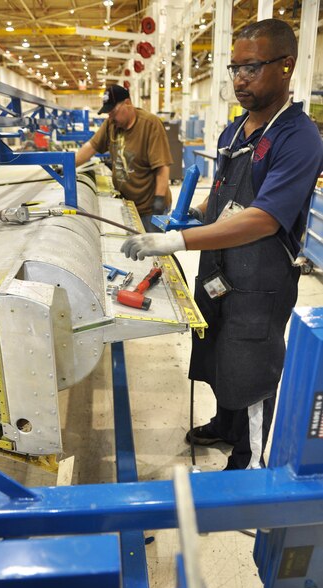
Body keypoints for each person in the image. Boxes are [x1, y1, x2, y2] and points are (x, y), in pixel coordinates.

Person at [120, 19, 323, 470]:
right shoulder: (233, 131)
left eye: (251, 68)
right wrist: (198, 211)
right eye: (234, 68)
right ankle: (224, 425)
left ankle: (247, 459)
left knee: (250, 369)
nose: (239, 80)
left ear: (286, 66)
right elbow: (226, 192)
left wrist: (177, 239)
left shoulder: (298, 137)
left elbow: (264, 219)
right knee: (218, 356)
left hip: (259, 281)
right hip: (219, 273)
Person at [75, 84, 173, 232]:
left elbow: (162, 167)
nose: (110, 117)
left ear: (127, 103)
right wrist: (68, 166)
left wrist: (158, 202)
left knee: (153, 252)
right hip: (128, 204)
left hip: (150, 208)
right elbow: (91, 147)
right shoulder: (111, 124)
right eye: (108, 113)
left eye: (113, 111)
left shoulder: (150, 124)